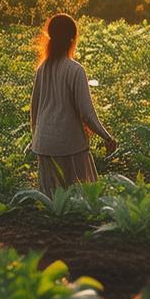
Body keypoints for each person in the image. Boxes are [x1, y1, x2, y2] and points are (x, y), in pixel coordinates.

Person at [30, 13, 117, 194]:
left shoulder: (42, 69)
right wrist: (107, 137)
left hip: (44, 145)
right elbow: (87, 114)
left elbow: (34, 109)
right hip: (69, 145)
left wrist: (39, 136)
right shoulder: (75, 70)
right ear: (73, 39)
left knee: (53, 203)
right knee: (82, 199)